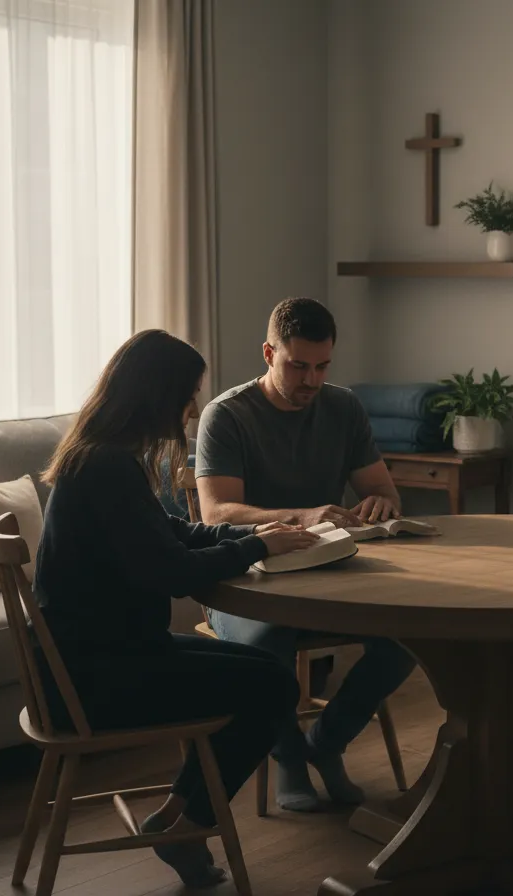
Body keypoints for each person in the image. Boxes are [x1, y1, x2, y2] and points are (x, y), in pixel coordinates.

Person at [35, 330, 319, 887]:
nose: (192, 407)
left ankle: (175, 819)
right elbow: (169, 573)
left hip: (98, 657)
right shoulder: (106, 468)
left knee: (268, 672)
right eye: (188, 394)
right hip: (98, 678)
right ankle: (187, 825)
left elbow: (170, 534)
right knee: (273, 687)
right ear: (156, 394)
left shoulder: (101, 457)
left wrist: (248, 531)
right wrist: (258, 547)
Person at [195, 297, 417, 812]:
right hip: (245, 581)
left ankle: (325, 743)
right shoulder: (226, 415)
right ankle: (289, 761)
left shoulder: (342, 406)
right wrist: (303, 515)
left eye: (322, 367)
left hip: (328, 573)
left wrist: (381, 501)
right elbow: (215, 514)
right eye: (298, 365)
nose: (311, 381)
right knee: (270, 640)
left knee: (411, 636)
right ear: (269, 352)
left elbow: (384, 490)